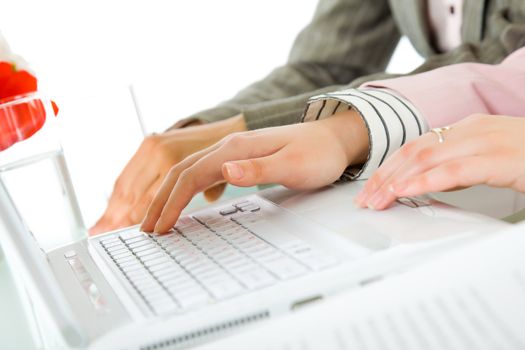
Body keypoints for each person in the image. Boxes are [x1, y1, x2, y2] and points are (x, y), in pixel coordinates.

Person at [90, 0, 525, 234]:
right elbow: (325, 65)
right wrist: (210, 131)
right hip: (441, 190)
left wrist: (337, 130)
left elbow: (506, 58)